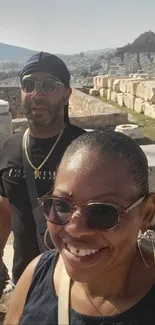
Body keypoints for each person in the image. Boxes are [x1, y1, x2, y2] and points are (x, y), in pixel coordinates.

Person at [4, 131, 155, 325]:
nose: (74, 229)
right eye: (61, 205)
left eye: (102, 212)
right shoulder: (36, 275)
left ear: (147, 213)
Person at [0, 51, 85, 286]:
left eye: (49, 85)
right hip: (25, 282)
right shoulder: (10, 148)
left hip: (76, 284)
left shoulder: (87, 150)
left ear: (67, 94)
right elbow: (6, 210)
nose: (37, 94)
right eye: (29, 85)